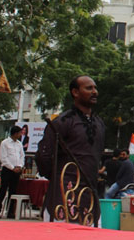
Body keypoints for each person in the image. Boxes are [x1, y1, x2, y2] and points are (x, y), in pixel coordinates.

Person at [36, 75, 105, 225]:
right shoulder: (62, 122)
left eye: (95, 88)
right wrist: (59, 178)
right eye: (89, 88)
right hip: (63, 197)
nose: (94, 92)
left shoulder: (99, 123)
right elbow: (43, 156)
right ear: (75, 92)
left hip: (90, 197)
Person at [0, 125, 25, 219]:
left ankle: (10, 211)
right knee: (3, 190)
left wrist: (20, 166)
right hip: (7, 170)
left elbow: (22, 156)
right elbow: (3, 158)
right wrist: (12, 167)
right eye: (19, 133)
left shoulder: (19, 144)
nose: (20, 135)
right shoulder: (5, 143)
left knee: (13, 191)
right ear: (15, 133)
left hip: (17, 170)